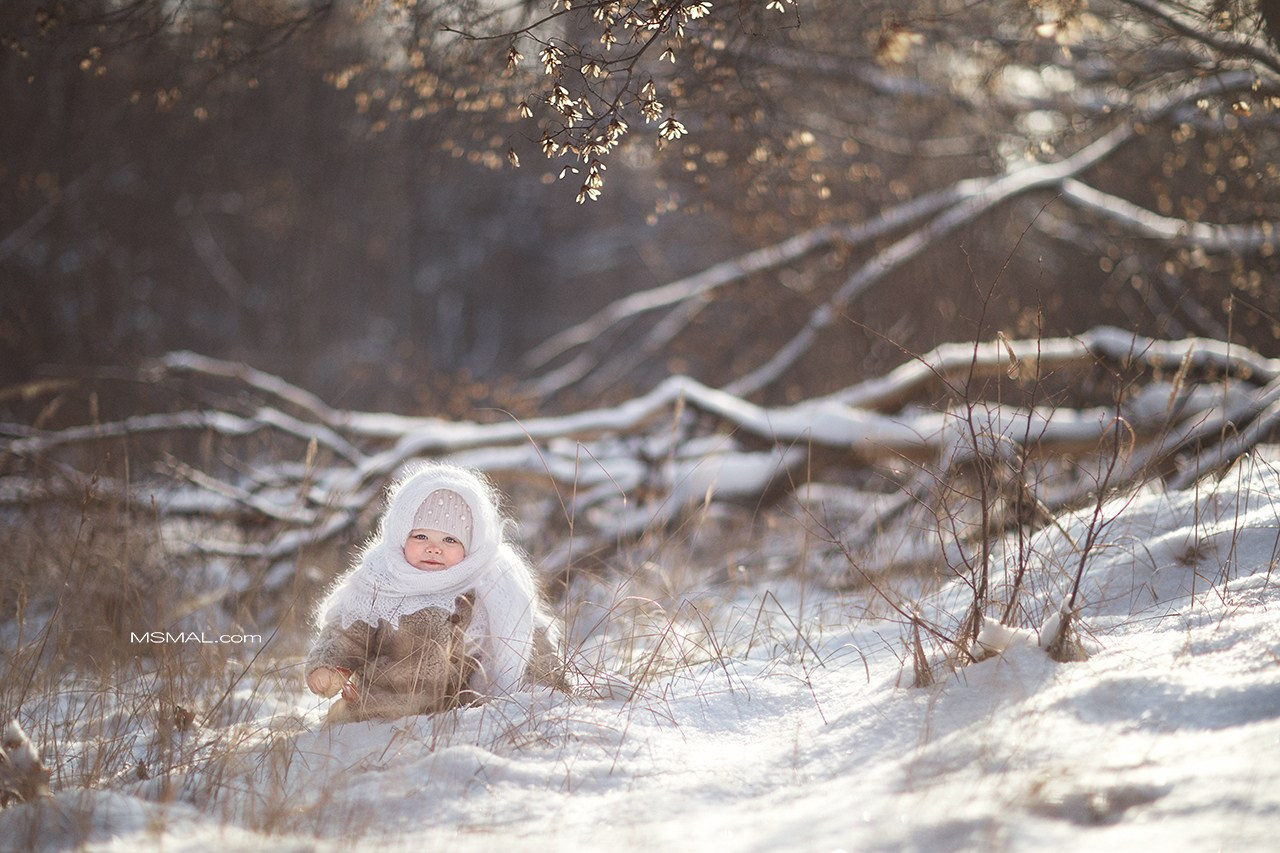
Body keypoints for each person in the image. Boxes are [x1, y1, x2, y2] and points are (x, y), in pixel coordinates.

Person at [304, 462, 567, 722]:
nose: (433, 548)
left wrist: (548, 684)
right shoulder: (378, 582)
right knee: (345, 729)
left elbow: (527, 637)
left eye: (450, 540)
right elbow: (347, 634)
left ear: (471, 545)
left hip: (456, 715)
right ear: (400, 534)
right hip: (380, 708)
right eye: (420, 537)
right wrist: (329, 668)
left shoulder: (489, 584)